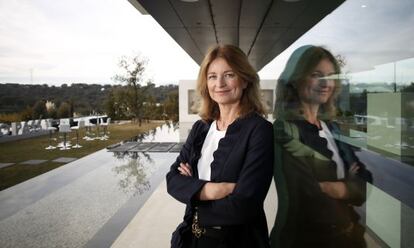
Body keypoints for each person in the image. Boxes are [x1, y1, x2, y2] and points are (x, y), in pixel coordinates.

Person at [166, 44, 273, 248]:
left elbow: (245, 204)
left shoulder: (260, 130)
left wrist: (193, 191)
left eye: (229, 75)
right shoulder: (201, 128)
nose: (220, 84)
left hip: (237, 242)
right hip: (192, 238)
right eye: (212, 76)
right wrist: (215, 190)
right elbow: (173, 180)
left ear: (244, 80)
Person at [269, 45, 372, 248]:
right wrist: (350, 186)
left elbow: (365, 182)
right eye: (316, 75)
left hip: (350, 238)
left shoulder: (331, 127)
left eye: (331, 76)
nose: (326, 83)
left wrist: (340, 189)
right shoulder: (284, 129)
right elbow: (309, 197)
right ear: (296, 81)